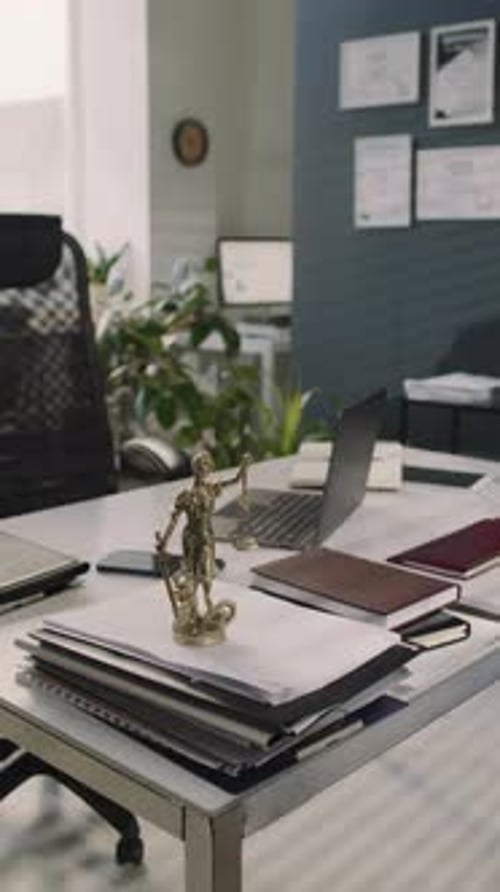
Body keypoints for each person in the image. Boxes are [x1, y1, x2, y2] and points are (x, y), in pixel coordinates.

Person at [155, 449, 251, 613]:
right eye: (200, 465)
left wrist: (244, 466)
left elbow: (235, 480)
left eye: (206, 464)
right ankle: (192, 609)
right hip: (192, 536)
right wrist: (164, 540)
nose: (204, 468)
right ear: (195, 468)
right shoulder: (186, 495)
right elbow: (174, 519)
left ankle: (207, 604)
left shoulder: (211, 489)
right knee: (191, 572)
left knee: (207, 573)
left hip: (207, 535)